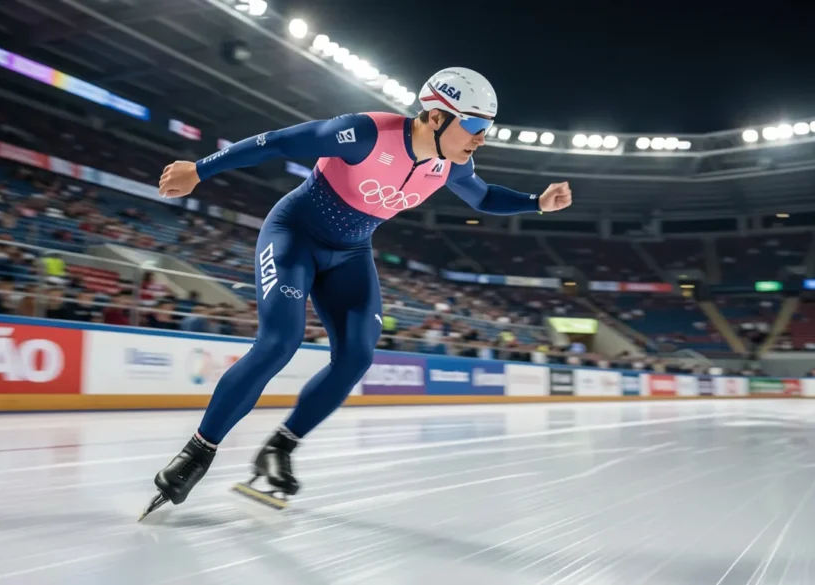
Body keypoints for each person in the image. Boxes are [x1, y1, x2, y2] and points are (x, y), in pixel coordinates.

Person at [139, 67, 573, 520]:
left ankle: (280, 448)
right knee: (279, 343)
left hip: (350, 253)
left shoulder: (453, 164)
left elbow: (482, 197)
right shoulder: (366, 133)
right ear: (439, 118)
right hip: (294, 236)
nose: (482, 139)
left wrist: (536, 202)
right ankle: (197, 453)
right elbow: (281, 141)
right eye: (476, 127)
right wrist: (200, 170)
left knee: (356, 357)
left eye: (488, 129)